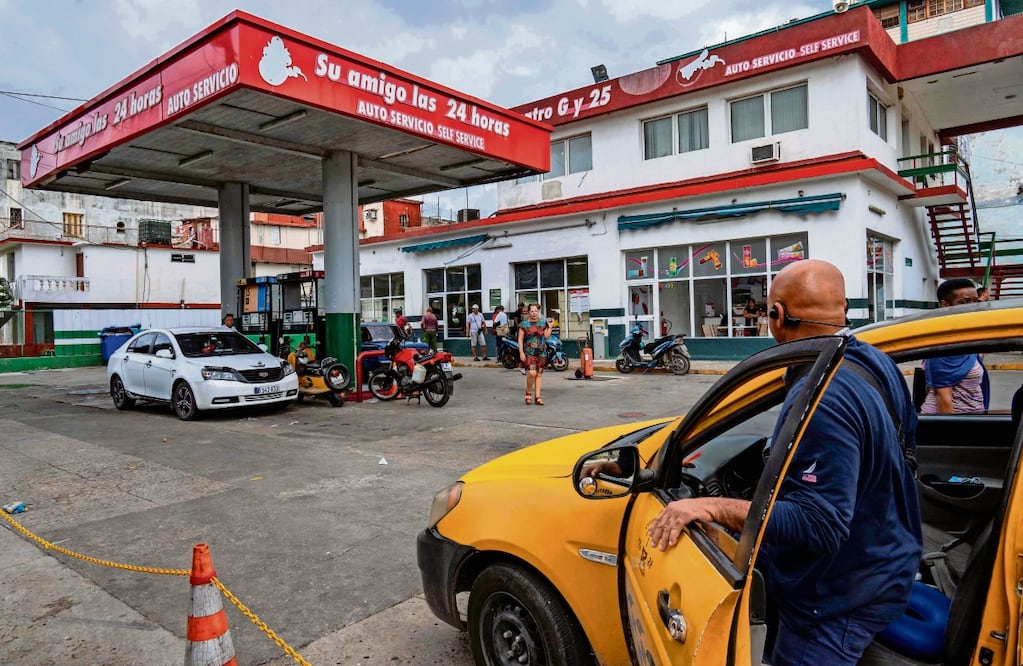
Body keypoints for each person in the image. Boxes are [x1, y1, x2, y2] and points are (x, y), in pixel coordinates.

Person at [641, 259, 921, 665]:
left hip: (836, 598)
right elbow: (905, 450)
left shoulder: (824, 396)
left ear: (777, 315)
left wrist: (710, 505)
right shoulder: (873, 362)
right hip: (885, 559)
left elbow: (818, 523)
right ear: (842, 308)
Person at [921, 278, 988, 414]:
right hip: (954, 424)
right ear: (945, 305)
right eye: (965, 302)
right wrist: (952, 432)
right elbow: (943, 399)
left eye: (976, 301)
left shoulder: (963, 336)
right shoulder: (943, 345)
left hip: (973, 418)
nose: (973, 307)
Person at [518, 303, 552, 405]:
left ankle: (538, 397)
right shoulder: (524, 324)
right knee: (532, 373)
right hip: (529, 352)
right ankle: (528, 393)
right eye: (532, 311)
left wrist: (550, 327)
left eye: (536, 311)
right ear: (528, 313)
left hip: (541, 352)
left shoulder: (543, 323)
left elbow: (546, 337)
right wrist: (521, 353)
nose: (534, 313)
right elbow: (520, 339)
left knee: (539, 374)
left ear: (538, 312)